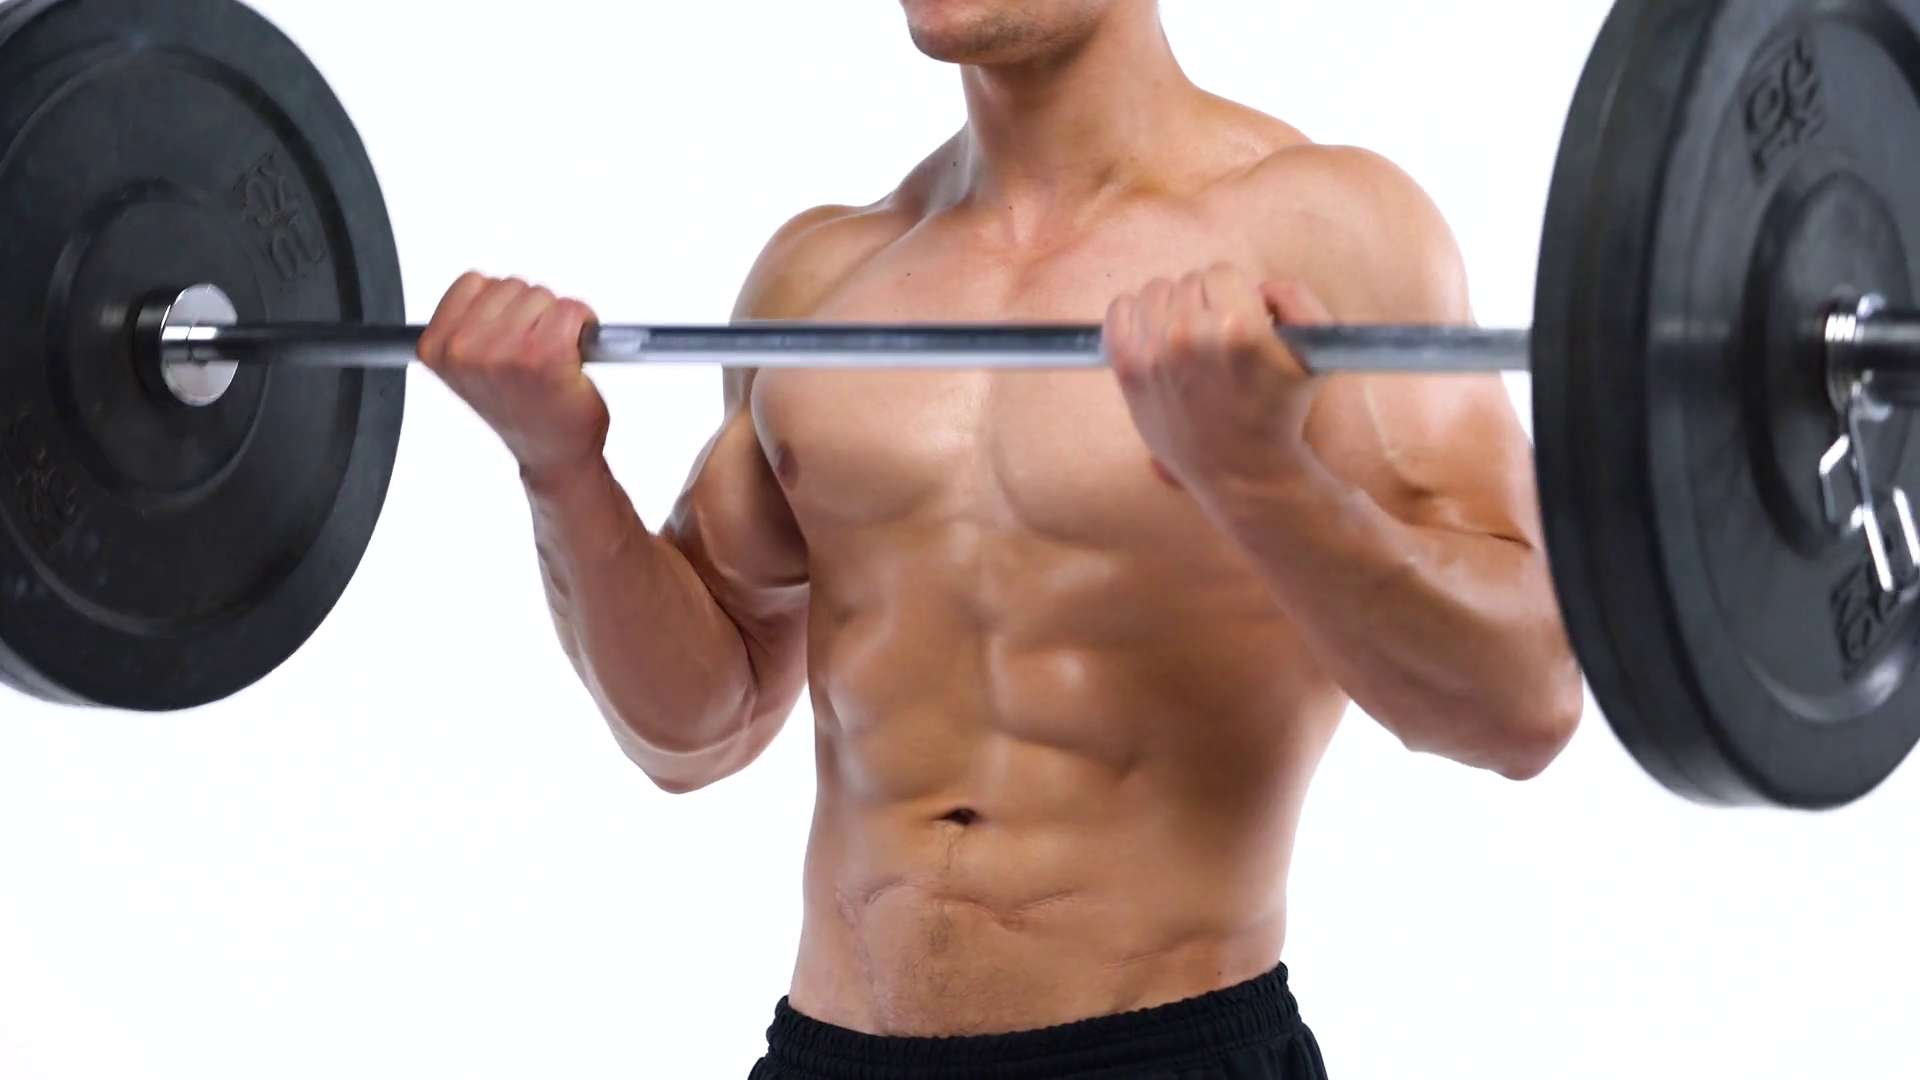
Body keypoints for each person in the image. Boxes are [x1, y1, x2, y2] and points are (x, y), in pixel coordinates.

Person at [416, 1, 1584, 1075]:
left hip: (1161, 1052)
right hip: (829, 1054)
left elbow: (1522, 704)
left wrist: (1257, 478)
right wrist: (560, 467)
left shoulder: (1326, 234)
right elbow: (695, 727)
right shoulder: (822, 276)